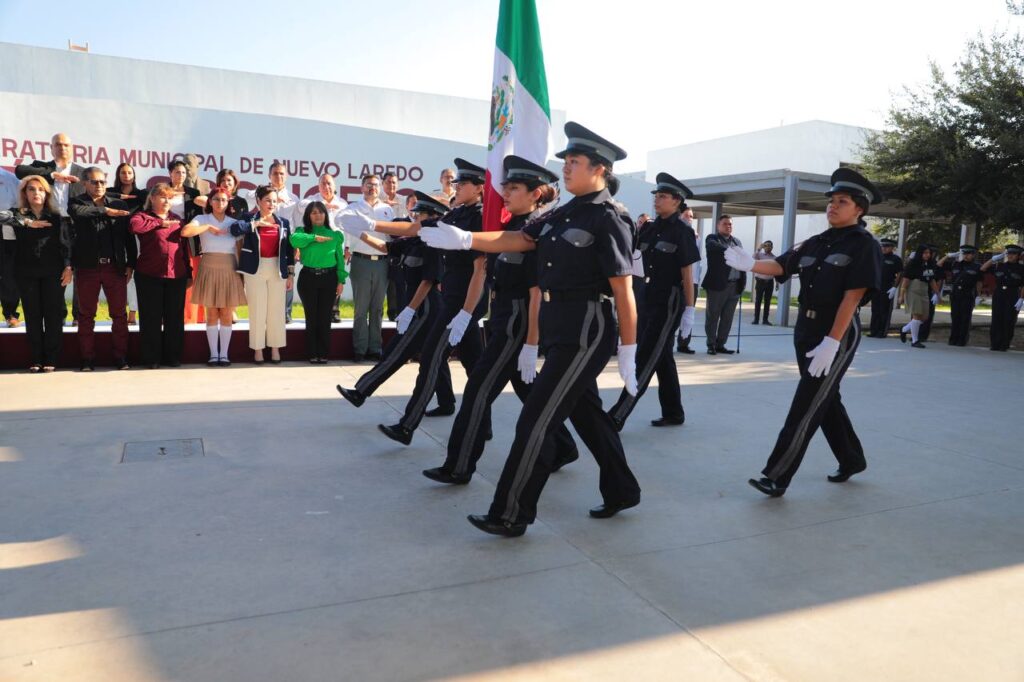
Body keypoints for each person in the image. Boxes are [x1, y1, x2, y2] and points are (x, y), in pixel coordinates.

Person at [420, 121, 642, 537]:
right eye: (566, 161)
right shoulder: (565, 212)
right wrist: (467, 240)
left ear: (599, 169)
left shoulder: (610, 218)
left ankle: (511, 512)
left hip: (586, 330)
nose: (566, 168)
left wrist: (629, 350)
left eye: (574, 162)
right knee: (587, 415)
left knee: (535, 421)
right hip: (559, 328)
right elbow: (520, 240)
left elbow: (623, 289)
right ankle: (622, 488)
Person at [420, 156, 579, 485]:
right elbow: (486, 271)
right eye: (504, 185)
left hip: (517, 324)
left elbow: (536, 292)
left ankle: (459, 465)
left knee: (478, 390)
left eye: (514, 187)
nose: (505, 192)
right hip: (502, 319)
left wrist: (532, 343)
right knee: (527, 388)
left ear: (536, 193)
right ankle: (563, 446)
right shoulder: (510, 226)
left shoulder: (537, 232)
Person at [723, 168, 882, 497]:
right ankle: (851, 458)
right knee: (825, 398)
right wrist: (749, 264)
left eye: (842, 201)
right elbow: (781, 266)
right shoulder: (817, 241)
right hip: (806, 329)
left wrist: (832, 342)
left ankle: (776, 475)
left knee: (807, 403)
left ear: (859, 209)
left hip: (835, 332)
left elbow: (852, 298)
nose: (833, 206)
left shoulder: (864, 245)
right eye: (831, 201)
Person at [374, 159, 490, 446]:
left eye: (462, 184)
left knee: (430, 358)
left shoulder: (479, 219)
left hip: (460, 305)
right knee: (477, 370)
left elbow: (481, 268)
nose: (456, 187)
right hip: (454, 300)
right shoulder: (457, 213)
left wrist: (466, 312)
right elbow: (418, 229)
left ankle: (407, 424)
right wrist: (371, 224)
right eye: (456, 183)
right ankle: (483, 425)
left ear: (478, 188)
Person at [335, 190, 455, 411]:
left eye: (420, 215)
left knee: (396, 352)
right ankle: (446, 402)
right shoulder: (415, 241)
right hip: (419, 307)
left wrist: (409, 310)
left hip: (426, 308)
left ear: (433, 217)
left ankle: (361, 391)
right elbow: (385, 248)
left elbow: (428, 280)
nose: (415, 218)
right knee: (432, 356)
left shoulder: (434, 244)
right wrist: (359, 233)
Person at [608, 172, 699, 431]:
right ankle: (674, 411)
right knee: (662, 356)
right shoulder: (649, 227)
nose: (657, 200)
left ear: (677, 201)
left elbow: (687, 273)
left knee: (646, 357)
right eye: (656, 196)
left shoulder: (682, 231)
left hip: (668, 301)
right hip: (647, 296)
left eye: (663, 196)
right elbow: (631, 254)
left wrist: (689, 309)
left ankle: (617, 415)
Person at [0, 176, 72, 371]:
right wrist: (26, 223)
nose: (36, 193)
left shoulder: (56, 216)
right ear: (25, 193)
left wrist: (68, 267)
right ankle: (37, 359)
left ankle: (51, 359)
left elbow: (66, 245)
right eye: (31, 189)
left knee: (53, 315)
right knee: (32, 315)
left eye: (40, 189)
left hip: (53, 272)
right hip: (25, 272)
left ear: (46, 193)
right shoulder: (17, 214)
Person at [16, 133, 87, 325]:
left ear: (72, 148)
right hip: (51, 226)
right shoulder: (42, 168)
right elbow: (19, 170)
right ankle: (59, 314)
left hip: (76, 226)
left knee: (77, 269)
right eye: (58, 144)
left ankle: (78, 316)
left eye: (65, 144)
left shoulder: (82, 172)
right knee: (56, 272)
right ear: (51, 148)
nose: (62, 148)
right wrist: (53, 175)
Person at [67, 167, 134, 370]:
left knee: (119, 315)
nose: (99, 186)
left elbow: (128, 238)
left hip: (115, 268)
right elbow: (79, 213)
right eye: (94, 182)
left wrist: (131, 263)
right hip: (88, 268)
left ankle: (120, 357)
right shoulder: (77, 202)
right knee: (86, 315)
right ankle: (87, 359)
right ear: (85, 183)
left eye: (102, 182)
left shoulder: (119, 204)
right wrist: (105, 211)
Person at [181, 186, 247, 366]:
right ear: (210, 201)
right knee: (211, 312)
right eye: (216, 199)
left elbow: (239, 249)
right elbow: (185, 232)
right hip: (208, 265)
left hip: (229, 267)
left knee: (226, 312)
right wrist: (207, 227)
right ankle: (213, 354)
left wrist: (242, 275)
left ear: (228, 203)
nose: (220, 203)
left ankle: (224, 355)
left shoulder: (234, 223)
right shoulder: (201, 219)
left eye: (223, 200)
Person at [130, 184, 192, 368]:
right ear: (153, 198)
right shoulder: (142, 216)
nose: (166, 201)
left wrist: (188, 272)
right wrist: (159, 223)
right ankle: (152, 358)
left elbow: (183, 248)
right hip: (149, 275)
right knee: (151, 318)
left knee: (174, 318)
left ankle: (172, 357)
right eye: (163, 197)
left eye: (169, 198)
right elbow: (134, 227)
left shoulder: (178, 220)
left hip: (176, 275)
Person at [231, 185, 294, 363]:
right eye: (267, 200)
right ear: (258, 201)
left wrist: (290, 274)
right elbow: (235, 230)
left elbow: (289, 250)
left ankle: (275, 348)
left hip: (276, 268)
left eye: (274, 201)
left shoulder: (283, 223)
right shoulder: (249, 218)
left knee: (276, 310)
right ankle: (258, 350)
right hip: (255, 269)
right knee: (257, 310)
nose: (271, 204)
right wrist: (256, 224)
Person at [338, 174, 394, 361]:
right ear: (362, 187)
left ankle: (375, 347)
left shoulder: (387, 210)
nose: (372, 188)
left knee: (377, 308)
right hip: (361, 261)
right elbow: (343, 227)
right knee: (361, 309)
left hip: (382, 263)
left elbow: (392, 236)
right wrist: (346, 248)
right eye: (369, 185)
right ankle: (360, 349)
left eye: (376, 185)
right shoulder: (353, 209)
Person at [289, 201, 347, 363]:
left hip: (329, 279)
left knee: (324, 317)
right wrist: (314, 237)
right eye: (313, 213)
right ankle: (312, 353)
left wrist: (341, 280)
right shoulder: (303, 232)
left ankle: (324, 353)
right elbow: (294, 240)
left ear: (325, 214)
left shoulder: (334, 235)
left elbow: (340, 261)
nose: (317, 215)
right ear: (308, 216)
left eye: (320, 212)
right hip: (308, 278)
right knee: (312, 316)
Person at [294, 174, 348, 323]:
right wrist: (322, 205)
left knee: (335, 273)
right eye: (323, 184)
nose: (326, 187)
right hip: (315, 245)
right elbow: (301, 206)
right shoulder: (312, 200)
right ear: (318, 186)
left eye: (329, 183)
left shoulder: (343, 203)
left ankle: (334, 310)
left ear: (335, 186)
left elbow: (348, 227)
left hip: (337, 244)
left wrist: (348, 246)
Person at [167, 159, 204, 325]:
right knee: (172, 275)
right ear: (170, 174)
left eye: (183, 172)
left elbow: (199, 216)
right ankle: (171, 315)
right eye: (177, 172)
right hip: (168, 238)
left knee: (192, 276)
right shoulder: (163, 191)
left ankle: (191, 317)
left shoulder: (193, 193)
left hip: (189, 240)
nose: (180, 175)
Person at [702, 215, 745, 354]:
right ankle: (711, 344)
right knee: (713, 316)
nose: (728, 226)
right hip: (718, 285)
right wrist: (730, 251)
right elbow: (714, 247)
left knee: (727, 317)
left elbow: (743, 258)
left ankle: (721, 344)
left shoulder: (737, 241)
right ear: (718, 226)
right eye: (725, 224)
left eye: (730, 224)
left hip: (735, 284)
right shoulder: (712, 239)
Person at [111, 163, 146, 325]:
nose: (126, 175)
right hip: (115, 237)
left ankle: (132, 312)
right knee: (119, 275)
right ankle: (119, 312)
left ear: (134, 175)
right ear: (118, 175)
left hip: (136, 237)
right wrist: (119, 197)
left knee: (132, 275)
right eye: (123, 173)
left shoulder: (142, 194)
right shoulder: (110, 193)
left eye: (129, 172)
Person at [980, 245, 1024, 351]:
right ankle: (994, 344)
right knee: (996, 318)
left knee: (1008, 319)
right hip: (999, 293)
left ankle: (1004, 344)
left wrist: (1021, 298)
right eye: (1009, 254)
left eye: (1013, 254)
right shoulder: (1000, 266)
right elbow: (982, 268)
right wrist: (993, 259)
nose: (1010, 256)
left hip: (1013, 294)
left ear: (1018, 256)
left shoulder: (1021, 268)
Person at [897, 244, 941, 349]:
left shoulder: (930, 264)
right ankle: (915, 340)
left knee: (924, 317)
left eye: (929, 253)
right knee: (916, 315)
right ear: (920, 253)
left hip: (924, 290)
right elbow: (906, 280)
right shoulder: (913, 264)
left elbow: (932, 280)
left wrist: (937, 293)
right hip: (913, 290)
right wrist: (901, 295)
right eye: (925, 253)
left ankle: (904, 329)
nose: (927, 255)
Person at [938, 245, 983, 346]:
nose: (966, 256)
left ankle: (962, 340)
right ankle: (953, 339)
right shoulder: (955, 264)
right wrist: (947, 256)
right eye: (964, 254)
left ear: (973, 255)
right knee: (955, 317)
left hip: (968, 293)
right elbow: (939, 264)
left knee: (965, 318)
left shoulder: (977, 266)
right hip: (956, 294)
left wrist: (978, 295)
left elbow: (979, 282)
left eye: (968, 254)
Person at [866, 238, 903, 337]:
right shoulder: (877, 257)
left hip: (887, 286)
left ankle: (882, 332)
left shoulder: (896, 259)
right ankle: (873, 331)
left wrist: (895, 287)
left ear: (892, 247)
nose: (884, 248)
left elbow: (900, 273)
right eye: (882, 246)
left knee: (884, 310)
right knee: (875, 309)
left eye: (886, 246)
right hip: (876, 286)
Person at [676, 206, 700, 354]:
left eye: (691, 216)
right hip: (679, 281)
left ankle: (684, 343)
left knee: (688, 314)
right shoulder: (678, 233)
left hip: (693, 281)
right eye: (686, 216)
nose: (689, 219)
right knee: (676, 313)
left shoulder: (695, 236)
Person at [1, 167, 21, 328]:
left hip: (6, 233)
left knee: (9, 277)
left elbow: (20, 207)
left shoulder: (10, 178)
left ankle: (10, 314)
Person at [752, 240, 776, 325]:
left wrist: (777, 283)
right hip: (760, 281)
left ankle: (765, 320)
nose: (767, 247)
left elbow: (775, 270)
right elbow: (753, 258)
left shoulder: (774, 258)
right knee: (758, 300)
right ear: (763, 247)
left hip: (770, 282)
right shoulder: (760, 255)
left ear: (772, 247)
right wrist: (759, 249)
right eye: (765, 245)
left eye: (769, 245)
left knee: (767, 301)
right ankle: (756, 319)